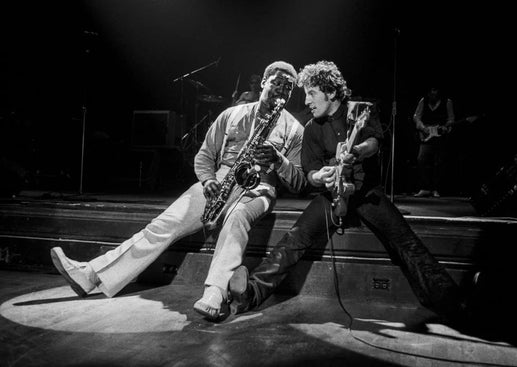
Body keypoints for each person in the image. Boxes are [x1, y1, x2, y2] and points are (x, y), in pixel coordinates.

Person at [49, 61, 307, 321]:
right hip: (221, 178)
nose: (281, 91)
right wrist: (207, 181)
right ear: (263, 82)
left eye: (288, 88)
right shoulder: (231, 114)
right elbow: (205, 156)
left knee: (237, 218)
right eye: (277, 83)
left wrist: (278, 161)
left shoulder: (296, 129)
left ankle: (216, 292)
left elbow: (298, 182)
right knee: (162, 225)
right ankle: (91, 275)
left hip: (260, 187)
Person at [227, 60, 466, 323]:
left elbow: (374, 142)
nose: (306, 100)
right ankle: (250, 293)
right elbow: (310, 172)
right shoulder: (311, 128)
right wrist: (323, 176)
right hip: (330, 196)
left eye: (311, 93)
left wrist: (356, 151)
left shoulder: (360, 111)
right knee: (294, 240)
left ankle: (452, 303)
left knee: (405, 243)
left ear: (330, 92)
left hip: (366, 194)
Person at [412, 85, 455, 198]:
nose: (433, 94)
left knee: (439, 162)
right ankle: (425, 187)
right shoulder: (423, 101)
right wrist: (422, 128)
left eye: (435, 91)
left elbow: (451, 119)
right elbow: (416, 116)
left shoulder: (447, 102)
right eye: (431, 91)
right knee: (421, 159)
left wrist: (447, 126)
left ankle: (436, 188)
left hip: (440, 136)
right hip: (426, 135)